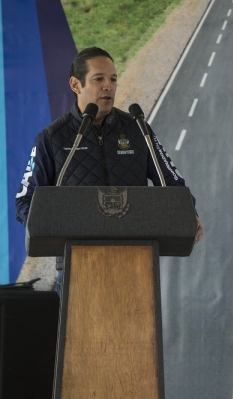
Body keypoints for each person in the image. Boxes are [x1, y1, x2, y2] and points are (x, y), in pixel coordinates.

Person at [15, 47, 203, 293]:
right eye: (98, 79)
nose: (108, 86)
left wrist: (188, 211)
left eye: (113, 79)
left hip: (135, 262)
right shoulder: (52, 138)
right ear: (75, 84)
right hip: (77, 267)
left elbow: (172, 182)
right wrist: (51, 228)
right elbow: (24, 201)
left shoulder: (137, 130)